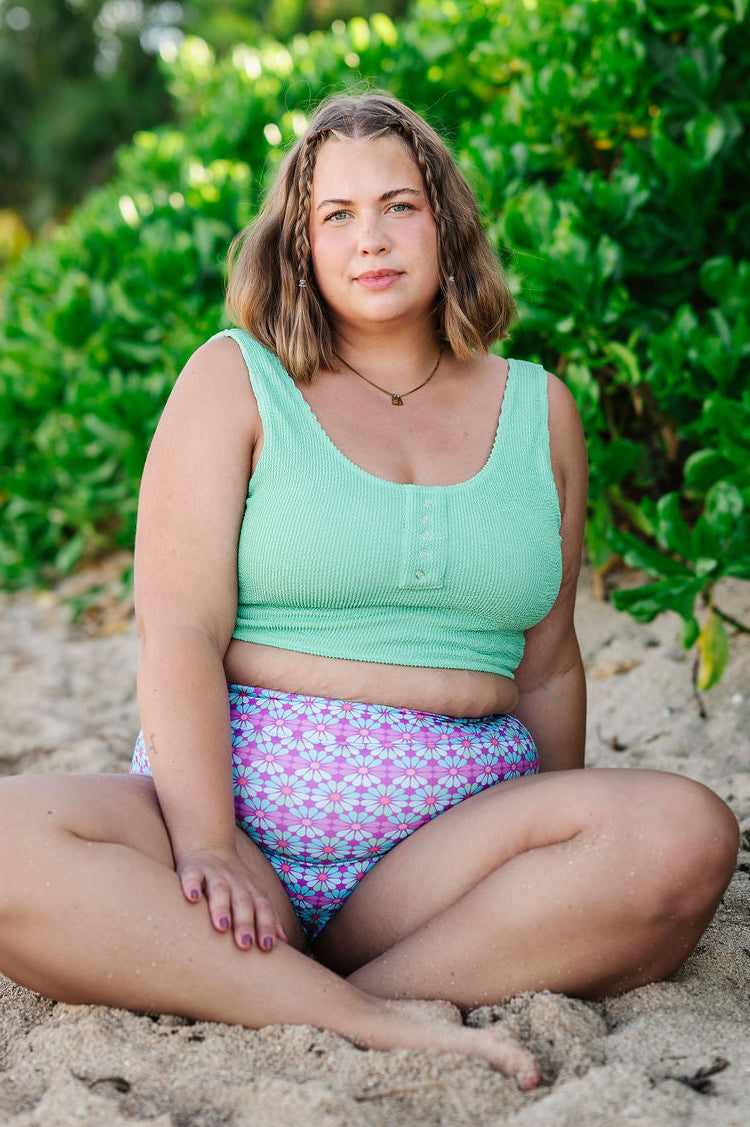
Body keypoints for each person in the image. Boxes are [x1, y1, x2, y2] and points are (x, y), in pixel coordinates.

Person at [0, 93, 738, 1091]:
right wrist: (209, 843)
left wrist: (557, 852)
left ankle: (338, 988)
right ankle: (352, 1013)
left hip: (440, 862)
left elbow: (550, 662)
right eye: (337, 215)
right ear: (299, 243)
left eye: (399, 206)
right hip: (235, 829)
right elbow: (177, 630)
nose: (372, 239)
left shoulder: (539, 408)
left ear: (446, 222)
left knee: (685, 835)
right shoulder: (235, 379)